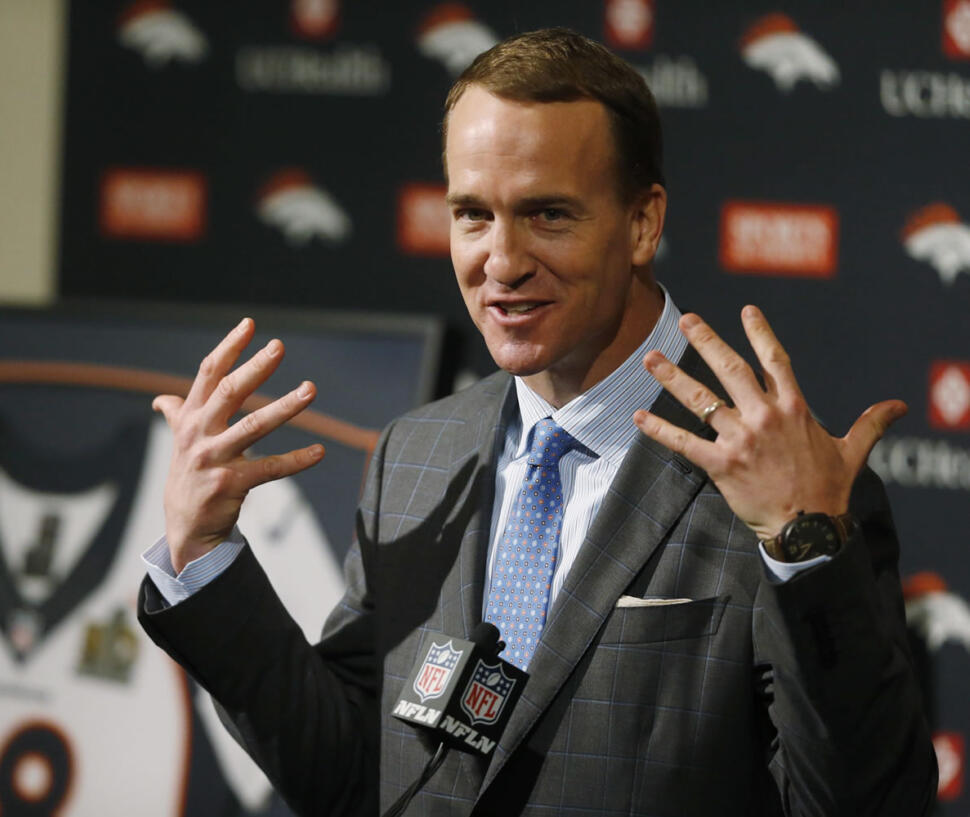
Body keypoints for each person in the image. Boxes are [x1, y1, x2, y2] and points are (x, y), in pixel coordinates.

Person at [137, 27, 937, 816]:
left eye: (547, 215)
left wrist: (805, 552)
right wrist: (205, 558)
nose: (502, 261)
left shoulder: (786, 489)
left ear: (642, 223)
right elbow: (351, 776)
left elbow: (868, 800)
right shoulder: (419, 454)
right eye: (473, 215)